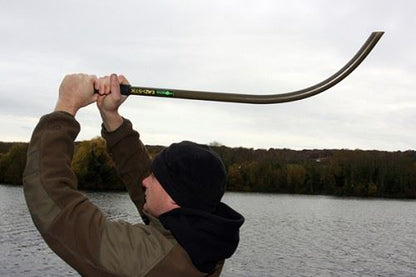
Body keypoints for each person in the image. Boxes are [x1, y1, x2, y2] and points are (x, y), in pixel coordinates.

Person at [23, 73, 244, 277]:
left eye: (156, 178)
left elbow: (52, 202)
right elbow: (147, 181)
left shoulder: (146, 260)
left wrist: (66, 106)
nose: (145, 180)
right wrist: (111, 117)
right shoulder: (204, 239)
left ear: (176, 200)